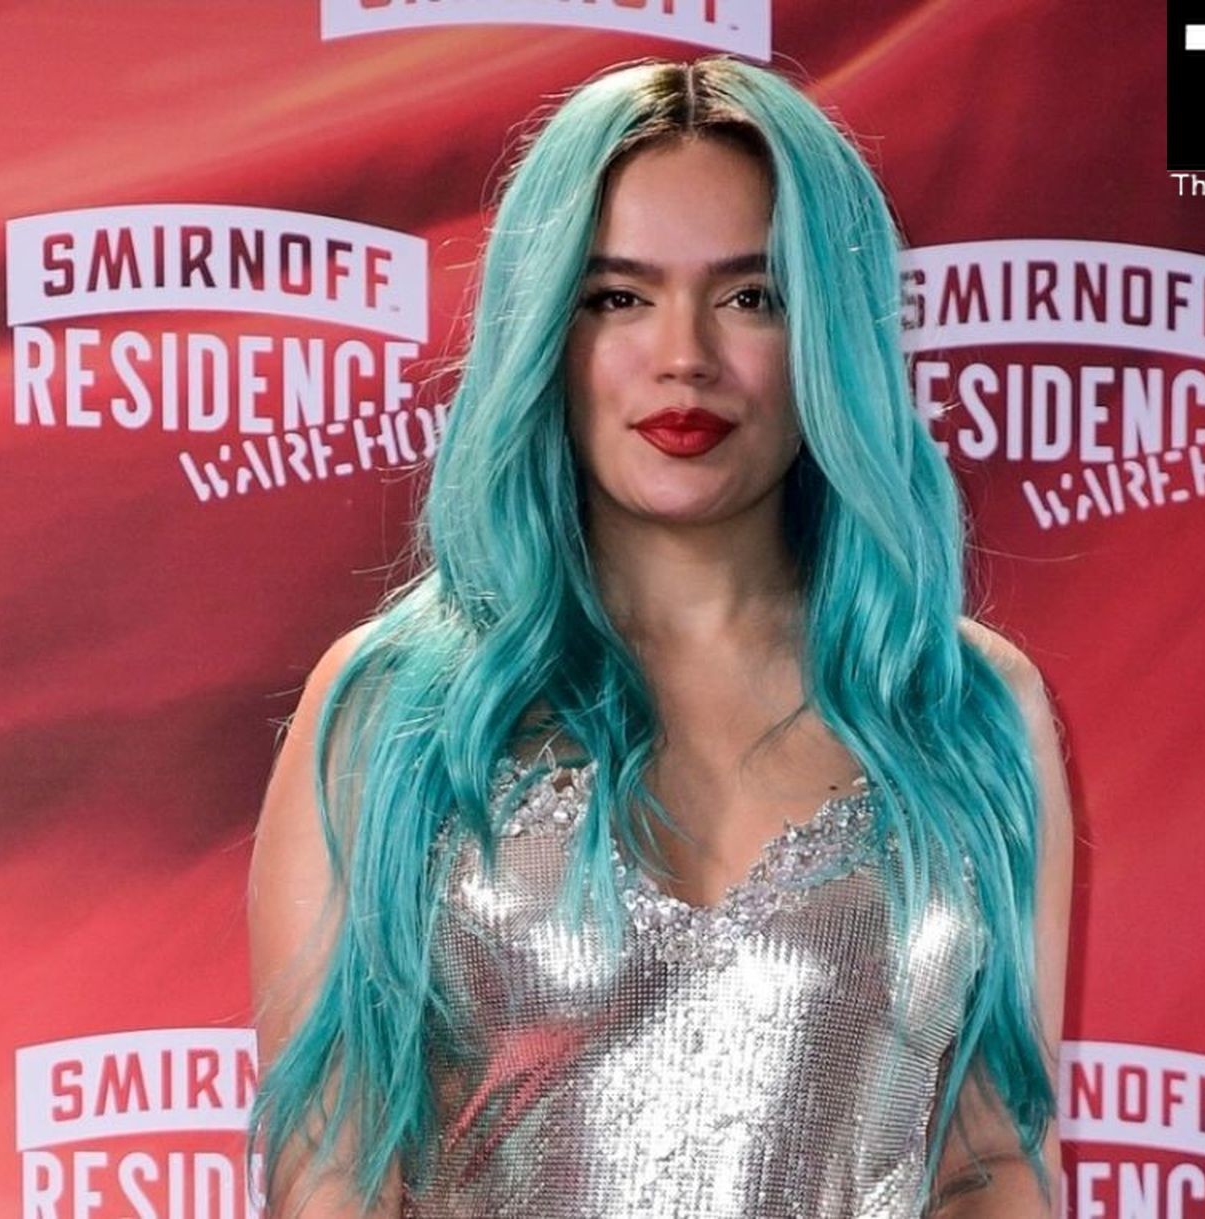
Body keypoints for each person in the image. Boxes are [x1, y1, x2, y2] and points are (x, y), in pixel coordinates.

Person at [247, 56, 1073, 1218]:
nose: (684, 354)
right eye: (618, 297)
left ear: (831, 334)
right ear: (545, 329)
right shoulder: (392, 705)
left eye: (752, 296)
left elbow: (992, 1157)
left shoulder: (970, 705)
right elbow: (332, 1171)